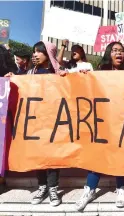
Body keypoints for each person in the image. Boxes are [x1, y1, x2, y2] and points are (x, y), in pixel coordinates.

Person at [74, 42, 124, 211]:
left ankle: (121, 188)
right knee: (98, 155)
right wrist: (84, 75)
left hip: (123, 122)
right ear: (109, 54)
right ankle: (89, 190)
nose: (118, 53)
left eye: (121, 51)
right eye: (115, 50)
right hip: (103, 122)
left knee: (120, 155)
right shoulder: (99, 72)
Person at [5, 41, 61, 206]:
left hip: (52, 121)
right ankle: (42, 186)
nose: (35, 54)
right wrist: (12, 78)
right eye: (34, 52)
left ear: (48, 54)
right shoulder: (29, 73)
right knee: (38, 154)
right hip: (34, 121)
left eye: (39, 51)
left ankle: (53, 188)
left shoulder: (57, 73)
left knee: (52, 156)